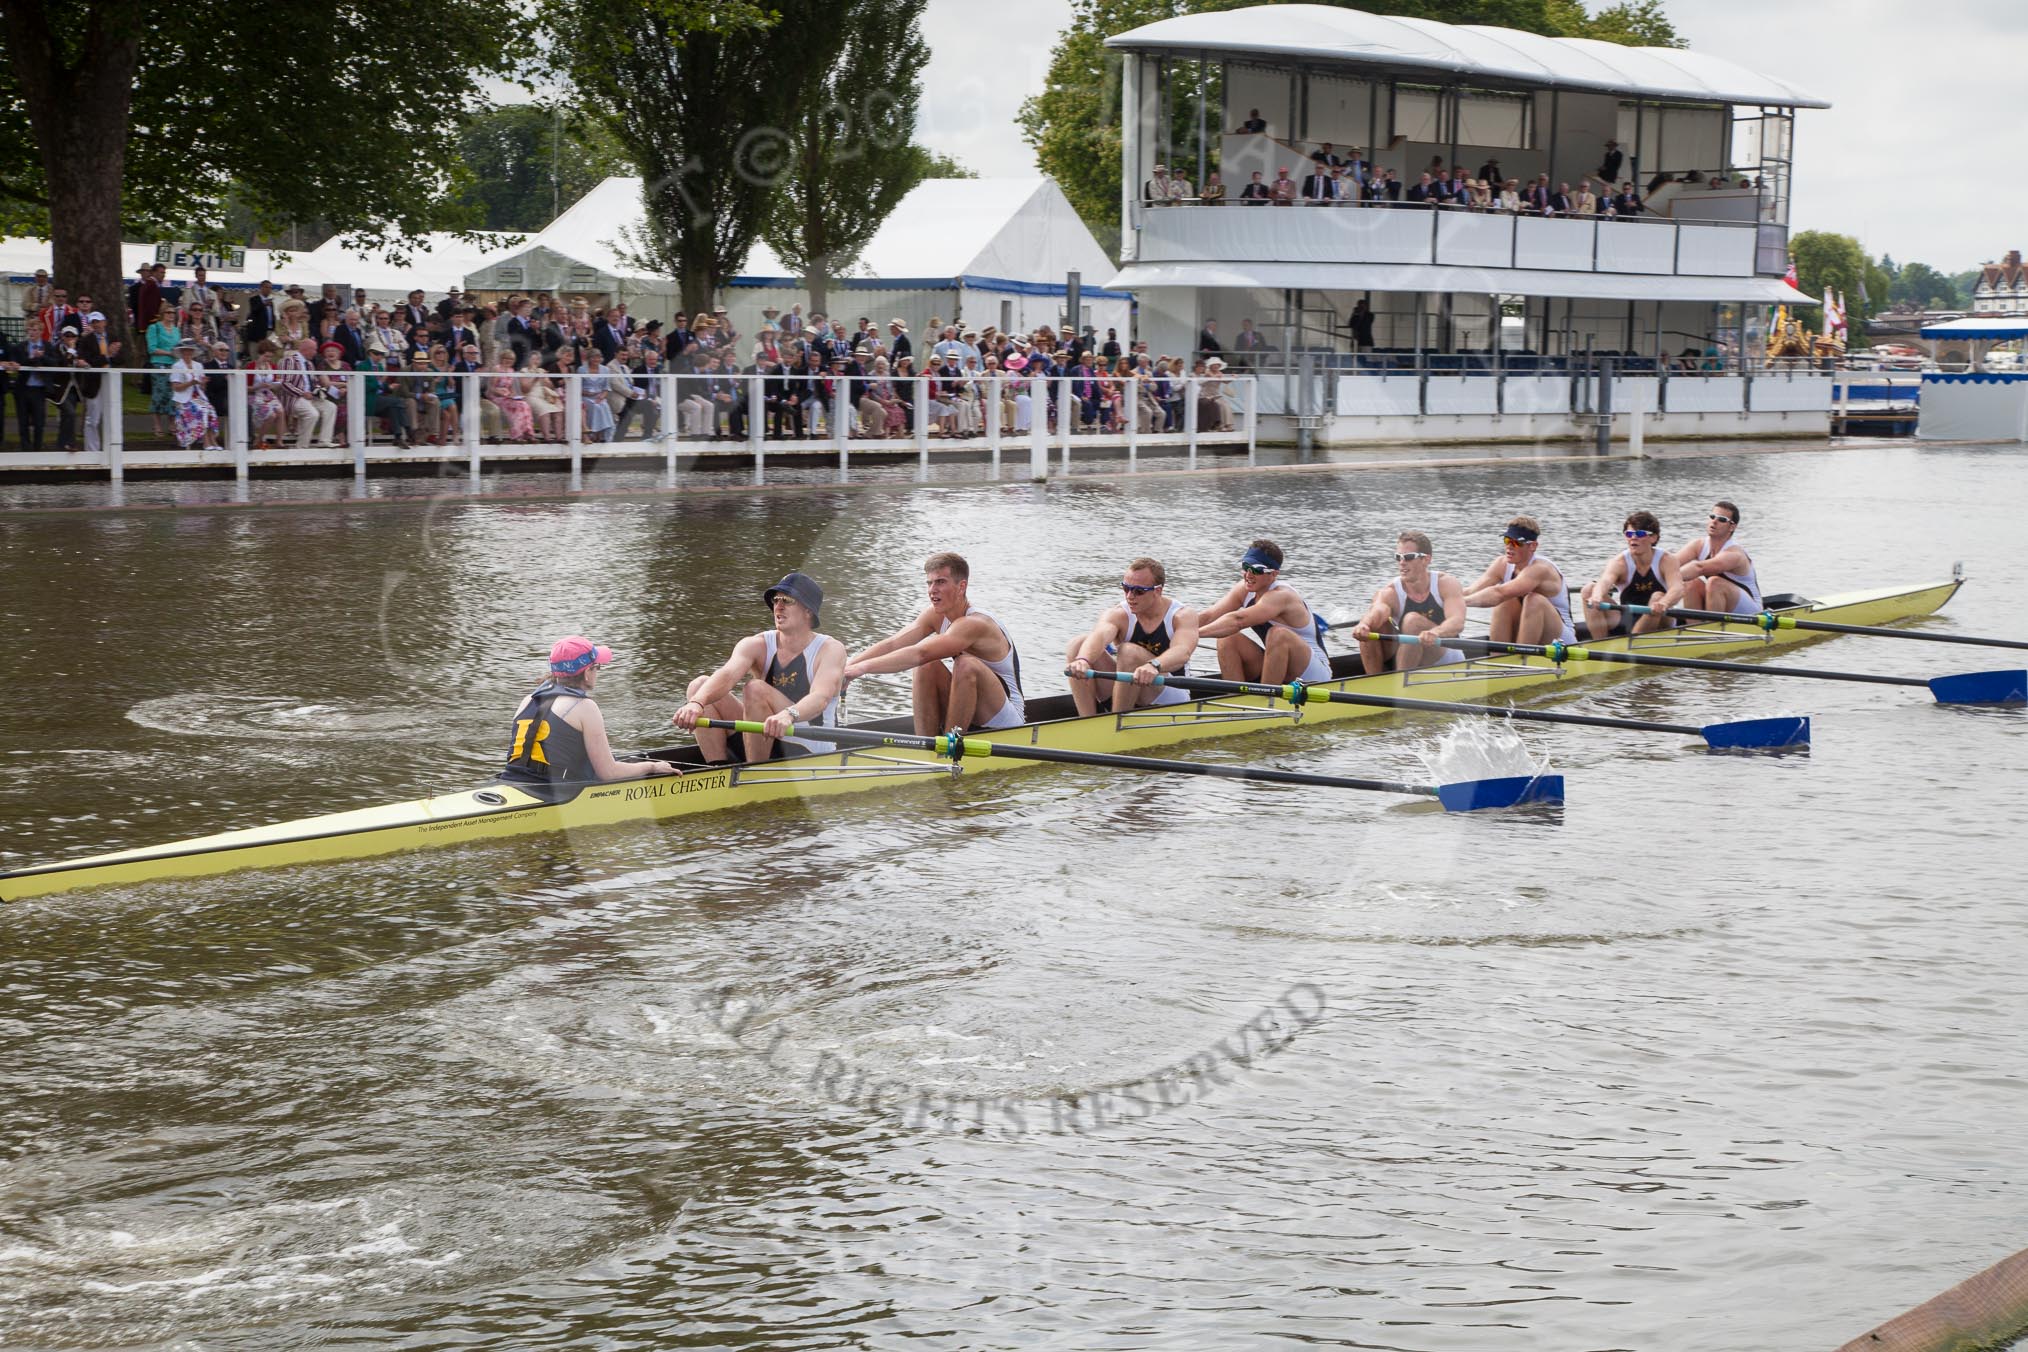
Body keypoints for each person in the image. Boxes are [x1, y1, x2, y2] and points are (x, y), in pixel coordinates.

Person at [673, 572, 846, 763]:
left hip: (812, 747)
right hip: (765, 736)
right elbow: (728, 675)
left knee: (756, 689)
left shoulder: (830, 650)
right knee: (699, 687)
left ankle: (752, 774)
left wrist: (788, 715)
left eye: (787, 600)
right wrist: (696, 703)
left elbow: (820, 699)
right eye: (776, 599)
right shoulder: (756, 644)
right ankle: (719, 771)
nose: (778, 606)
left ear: (808, 611)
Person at [845, 551, 1026, 734]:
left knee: (965, 664)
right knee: (926, 666)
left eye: (940, 582)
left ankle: (949, 749)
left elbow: (920, 653)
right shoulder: (935, 615)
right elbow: (893, 644)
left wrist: (863, 668)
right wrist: (848, 668)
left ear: (961, 587)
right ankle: (926, 747)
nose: (932, 590)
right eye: (929, 583)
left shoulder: (975, 623)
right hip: (969, 710)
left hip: (1005, 719)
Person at [500, 637, 676, 791]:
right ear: (586, 673)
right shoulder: (585, 707)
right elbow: (609, 773)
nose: (597, 672)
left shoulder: (528, 699)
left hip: (510, 783)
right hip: (550, 794)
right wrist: (652, 767)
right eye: (596, 667)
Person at [1065, 557, 1200, 716]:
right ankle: (1087, 721)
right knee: (1078, 645)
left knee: (1128, 652)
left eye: (1138, 591)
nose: (1130, 596)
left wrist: (1154, 665)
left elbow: (1182, 651)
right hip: (1130, 687)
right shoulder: (1118, 614)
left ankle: (1116, 723)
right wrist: (1083, 660)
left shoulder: (1182, 615)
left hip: (1170, 695)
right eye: (1126, 588)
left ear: (1158, 591)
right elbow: (1099, 636)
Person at [1195, 540, 1333, 685]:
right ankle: (1233, 699)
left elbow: (1237, 620)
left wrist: (1195, 634)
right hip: (1279, 665)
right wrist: (1177, 632)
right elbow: (1209, 616)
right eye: (1245, 567)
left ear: (1273, 574)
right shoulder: (1245, 589)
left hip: (1314, 674)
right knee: (1227, 638)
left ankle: (1268, 700)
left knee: (1278, 634)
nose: (1248, 575)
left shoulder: (1282, 596)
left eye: (1256, 570)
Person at [1350, 531, 1468, 673]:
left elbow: (1457, 622)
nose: (1402, 563)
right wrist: (1364, 625)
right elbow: (1378, 610)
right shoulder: (1390, 591)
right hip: (1411, 656)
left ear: (1426, 559)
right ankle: (1375, 681)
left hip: (1446, 657)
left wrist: (1436, 632)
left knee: (1412, 621)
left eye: (1408, 557)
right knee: (1371, 629)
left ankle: (1400, 686)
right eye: (1398, 557)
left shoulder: (1446, 584)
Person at [1462, 516, 1576, 644]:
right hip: (1529, 632)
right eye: (1507, 540)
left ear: (1533, 546)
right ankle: (1497, 659)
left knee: (1533, 600)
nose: (1509, 547)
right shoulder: (1502, 564)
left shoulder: (1541, 569)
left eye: (1517, 543)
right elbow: (1471, 591)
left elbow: (1499, 593)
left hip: (1561, 641)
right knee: (1506, 602)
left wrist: (1461, 603)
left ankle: (1523, 659)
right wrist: (1442, 597)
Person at [1581, 510, 1683, 639]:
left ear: (1653, 538)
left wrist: (1664, 603)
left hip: (1660, 618)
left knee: (1657, 597)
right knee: (1589, 590)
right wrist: (1596, 596)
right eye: (1629, 534)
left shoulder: (1667, 560)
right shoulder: (1619, 562)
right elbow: (1605, 581)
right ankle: (1599, 646)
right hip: (1627, 617)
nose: (1633, 538)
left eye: (1639, 533)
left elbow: (1677, 588)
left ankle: (1635, 644)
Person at [1674, 500, 1762, 615]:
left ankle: (1712, 629)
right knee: (1690, 583)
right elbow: (1670, 563)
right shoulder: (1698, 545)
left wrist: (1669, 579)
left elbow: (1698, 568)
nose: (1714, 521)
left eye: (1721, 519)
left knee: (1714, 583)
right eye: (1712, 516)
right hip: (1721, 605)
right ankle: (1694, 628)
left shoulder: (1734, 554)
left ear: (1732, 527)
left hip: (1750, 611)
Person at [166, 338, 221, 450]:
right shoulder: (177, 366)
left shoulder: (198, 366)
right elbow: (175, 387)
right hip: (184, 400)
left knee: (210, 409)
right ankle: (206, 442)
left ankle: (212, 440)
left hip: (198, 397)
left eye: (190, 350)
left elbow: (201, 388)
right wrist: (191, 382)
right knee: (202, 410)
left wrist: (203, 383)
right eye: (186, 350)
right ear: (181, 351)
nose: (188, 352)